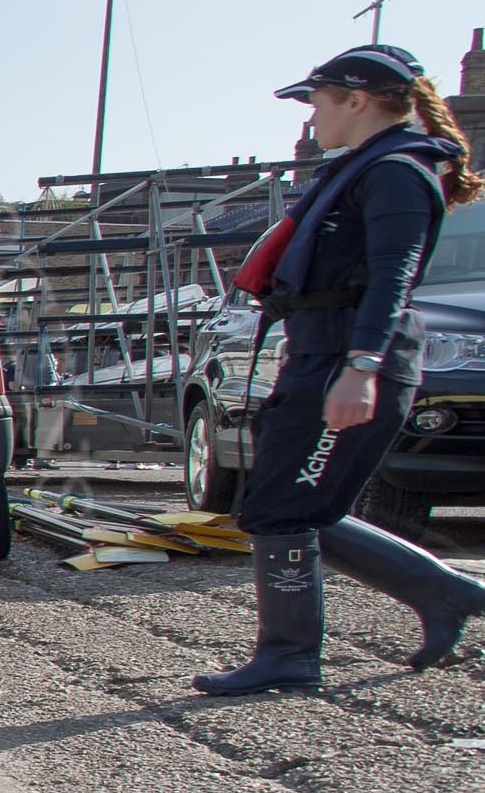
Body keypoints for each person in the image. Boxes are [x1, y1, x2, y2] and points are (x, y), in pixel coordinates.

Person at [196, 45, 485, 695]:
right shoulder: (365, 169)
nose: (312, 115)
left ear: (358, 100)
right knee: (287, 503)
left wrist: (362, 367)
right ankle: (445, 594)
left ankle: (292, 654)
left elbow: (394, 277)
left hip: (348, 355)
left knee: (287, 508)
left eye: (318, 101)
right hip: (320, 349)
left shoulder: (398, 174)